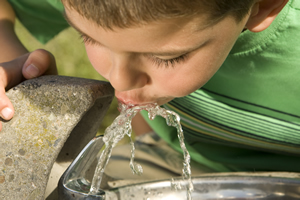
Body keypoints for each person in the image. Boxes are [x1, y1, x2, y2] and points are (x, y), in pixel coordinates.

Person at [1, 0, 300, 173]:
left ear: (263, 6)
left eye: (166, 58)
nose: (119, 81)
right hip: (176, 160)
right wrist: (17, 63)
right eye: (89, 37)